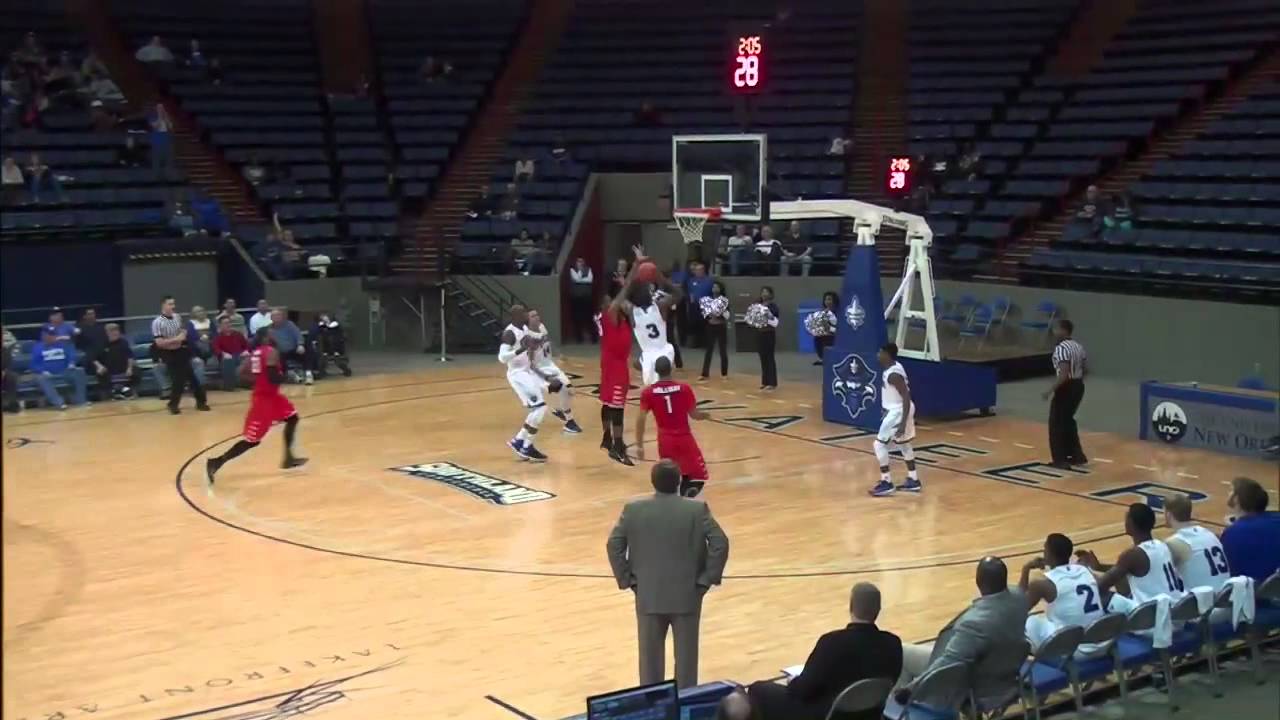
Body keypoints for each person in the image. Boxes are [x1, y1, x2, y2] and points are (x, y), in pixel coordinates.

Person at [606, 460, 729, 689]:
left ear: (653, 482)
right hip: (687, 595)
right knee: (686, 665)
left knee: (650, 666)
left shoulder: (633, 510)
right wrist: (706, 579)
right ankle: (685, 706)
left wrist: (627, 579)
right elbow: (720, 543)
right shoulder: (696, 509)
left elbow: (614, 545)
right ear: (679, 481)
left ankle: (654, 706)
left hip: (648, 595)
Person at [747, 583, 903, 720]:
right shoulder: (894, 644)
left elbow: (802, 691)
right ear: (878, 610)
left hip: (826, 714)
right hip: (868, 715)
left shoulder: (832, 642)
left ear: (851, 607)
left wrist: (793, 681)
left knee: (758, 689)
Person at [894, 557, 1029, 712]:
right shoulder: (1020, 599)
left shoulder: (974, 623)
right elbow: (1016, 590)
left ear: (978, 581)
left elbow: (946, 664)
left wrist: (910, 690)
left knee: (901, 651)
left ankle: (898, 712)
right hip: (1005, 678)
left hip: (973, 689)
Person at [205, 328, 308, 485]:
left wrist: (259, 380)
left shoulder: (254, 353)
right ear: (265, 337)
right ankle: (217, 461)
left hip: (271, 397)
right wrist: (288, 377)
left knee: (292, 418)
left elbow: (241, 373)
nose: (274, 336)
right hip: (264, 401)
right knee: (252, 440)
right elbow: (273, 377)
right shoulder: (271, 352)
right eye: (271, 334)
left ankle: (289, 458)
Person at [1075, 503, 1186, 614]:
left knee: (1102, 597)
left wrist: (1084, 571)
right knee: (1121, 579)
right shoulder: (1162, 545)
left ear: (1132, 523)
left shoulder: (1132, 555)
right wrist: (1099, 567)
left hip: (1153, 615)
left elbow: (1100, 586)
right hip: (1175, 607)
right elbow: (1129, 569)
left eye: (1127, 518)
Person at [1020, 533, 1108, 657]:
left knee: (1029, 622)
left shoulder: (1042, 584)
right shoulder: (1084, 570)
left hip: (1073, 651)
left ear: (1049, 554)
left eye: (1045, 549)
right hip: (1101, 644)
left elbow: (1017, 608)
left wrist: (1026, 569)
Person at [637, 356, 710, 497]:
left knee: (669, 477)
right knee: (697, 475)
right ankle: (685, 497)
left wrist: (640, 446)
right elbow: (694, 415)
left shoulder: (648, 393)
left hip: (665, 440)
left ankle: (675, 500)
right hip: (684, 437)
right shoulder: (684, 389)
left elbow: (641, 419)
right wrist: (705, 415)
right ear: (672, 369)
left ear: (656, 371)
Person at [613, 247, 678, 386]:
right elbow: (678, 294)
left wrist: (634, 269)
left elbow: (621, 298)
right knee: (665, 385)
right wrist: (658, 275)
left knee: (652, 389)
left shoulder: (632, 312)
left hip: (649, 355)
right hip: (665, 351)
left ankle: (642, 362)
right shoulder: (660, 307)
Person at [499, 305, 554, 462]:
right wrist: (521, 350)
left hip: (526, 372)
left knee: (537, 409)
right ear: (515, 316)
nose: (525, 314)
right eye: (522, 313)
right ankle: (526, 445)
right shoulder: (509, 333)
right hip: (518, 374)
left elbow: (531, 344)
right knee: (540, 408)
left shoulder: (523, 328)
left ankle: (519, 441)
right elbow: (502, 358)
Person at [869, 343, 921, 497]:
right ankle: (913, 479)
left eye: (880, 352)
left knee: (879, 445)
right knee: (904, 444)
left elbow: (906, 397)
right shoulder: (893, 367)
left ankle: (886, 482)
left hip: (899, 412)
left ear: (887, 355)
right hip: (897, 410)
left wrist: (902, 423)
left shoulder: (893, 375)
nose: (878, 355)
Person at [525, 309, 582, 434]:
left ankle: (561, 412)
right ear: (528, 320)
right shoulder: (528, 337)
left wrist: (558, 353)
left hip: (551, 366)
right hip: (538, 371)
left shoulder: (541, 327)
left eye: (537, 314)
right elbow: (531, 364)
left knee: (569, 391)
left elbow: (549, 341)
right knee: (560, 389)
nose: (536, 317)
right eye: (533, 316)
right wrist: (545, 377)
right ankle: (569, 421)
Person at [152, 295, 209, 414]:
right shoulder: (157, 322)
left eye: (173, 304)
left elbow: (183, 331)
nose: (173, 306)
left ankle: (200, 402)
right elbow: (159, 343)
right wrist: (176, 339)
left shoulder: (177, 317)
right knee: (178, 379)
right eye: (170, 304)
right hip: (167, 353)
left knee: (192, 377)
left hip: (180, 350)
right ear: (163, 305)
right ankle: (173, 404)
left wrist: (182, 335)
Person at [597, 294, 635, 466]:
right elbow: (619, 301)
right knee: (617, 408)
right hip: (615, 366)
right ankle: (617, 447)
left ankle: (607, 438)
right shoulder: (608, 317)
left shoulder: (621, 319)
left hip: (611, 363)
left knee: (608, 402)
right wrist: (629, 282)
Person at [1043, 319, 1086, 469]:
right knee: (1068, 420)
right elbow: (1083, 368)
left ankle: (1060, 460)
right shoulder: (1078, 346)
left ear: (1064, 330)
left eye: (1056, 329)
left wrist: (1049, 390)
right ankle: (1077, 455)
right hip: (1078, 386)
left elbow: (1064, 374)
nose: (1054, 332)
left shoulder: (1061, 349)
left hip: (1066, 387)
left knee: (1056, 423)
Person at [1221, 477, 1280, 584]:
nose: (1228, 493)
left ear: (1237, 499)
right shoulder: (1276, 519)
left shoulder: (1233, 533)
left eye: (1231, 490)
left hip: (1251, 589)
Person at [30, 329, 88, 409]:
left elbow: (71, 355)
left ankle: (81, 400)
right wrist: (42, 371)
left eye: (53, 335)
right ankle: (59, 403)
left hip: (64, 372)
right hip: (47, 374)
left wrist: (71, 363)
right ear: (44, 337)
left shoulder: (63, 345)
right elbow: (34, 365)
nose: (51, 337)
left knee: (80, 371)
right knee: (41, 378)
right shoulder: (38, 347)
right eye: (48, 336)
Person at [91, 323, 141, 400]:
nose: (115, 333)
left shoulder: (124, 342)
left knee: (136, 370)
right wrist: (99, 366)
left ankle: (127, 390)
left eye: (117, 330)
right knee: (100, 373)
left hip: (123, 368)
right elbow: (93, 358)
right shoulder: (100, 343)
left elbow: (130, 356)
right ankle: (115, 392)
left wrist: (129, 368)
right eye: (112, 331)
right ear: (107, 333)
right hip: (107, 369)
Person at [268, 309, 313, 385]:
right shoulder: (269, 329)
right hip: (281, 353)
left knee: (306, 352)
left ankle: (308, 374)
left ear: (282, 317)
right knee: (276, 359)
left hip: (294, 349)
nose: (277, 317)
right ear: (271, 318)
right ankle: (290, 376)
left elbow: (298, 334)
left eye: (278, 315)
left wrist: (300, 344)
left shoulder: (289, 324)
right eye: (274, 316)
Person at [699, 281, 729, 380]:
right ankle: (705, 373)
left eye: (717, 287)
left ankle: (724, 374)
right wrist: (708, 315)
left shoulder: (724, 301)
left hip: (720, 327)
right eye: (713, 287)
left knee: (722, 350)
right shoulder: (708, 300)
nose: (715, 289)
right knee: (708, 350)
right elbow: (705, 313)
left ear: (720, 289)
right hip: (711, 326)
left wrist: (721, 311)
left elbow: (727, 315)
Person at [212, 315, 251, 391]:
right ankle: (230, 386)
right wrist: (223, 353)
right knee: (228, 360)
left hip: (240, 356)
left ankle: (245, 382)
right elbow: (216, 349)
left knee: (249, 358)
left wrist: (246, 351)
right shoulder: (217, 336)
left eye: (229, 323)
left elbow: (247, 345)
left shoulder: (237, 334)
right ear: (220, 325)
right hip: (227, 358)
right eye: (225, 323)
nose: (228, 325)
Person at [755, 286, 780, 390]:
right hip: (760, 333)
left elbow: (775, 321)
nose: (764, 294)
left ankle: (772, 382)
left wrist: (766, 316)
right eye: (762, 292)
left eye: (766, 292)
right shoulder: (758, 305)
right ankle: (765, 382)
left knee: (769, 357)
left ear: (770, 294)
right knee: (762, 357)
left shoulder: (773, 306)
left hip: (769, 333)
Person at [568, 257, 595, 343]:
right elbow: (576, 279)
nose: (580, 263)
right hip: (576, 299)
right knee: (577, 318)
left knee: (589, 318)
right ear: (576, 263)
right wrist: (581, 275)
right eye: (578, 261)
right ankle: (579, 338)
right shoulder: (572, 270)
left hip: (587, 298)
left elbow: (590, 280)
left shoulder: (588, 269)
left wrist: (581, 280)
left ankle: (594, 338)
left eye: (581, 261)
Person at [813, 291, 839, 366]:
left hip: (837, 335)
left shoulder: (838, 312)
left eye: (829, 299)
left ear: (834, 301)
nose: (827, 302)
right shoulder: (824, 312)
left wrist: (830, 329)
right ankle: (823, 358)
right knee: (818, 336)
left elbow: (838, 328)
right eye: (826, 299)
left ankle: (831, 358)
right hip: (827, 333)